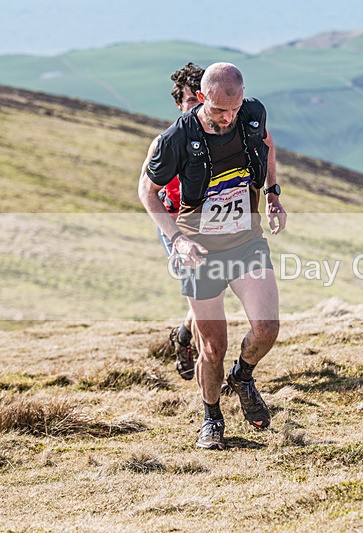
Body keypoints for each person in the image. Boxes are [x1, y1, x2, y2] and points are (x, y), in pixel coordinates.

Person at [138, 62, 287, 450]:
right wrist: (176, 240)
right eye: (220, 110)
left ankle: (242, 375)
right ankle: (212, 417)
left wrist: (273, 194)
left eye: (234, 108)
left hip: (245, 241)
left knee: (267, 328)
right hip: (199, 249)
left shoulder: (252, 114)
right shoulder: (176, 138)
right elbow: (147, 192)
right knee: (213, 346)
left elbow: (268, 146)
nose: (229, 117)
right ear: (201, 99)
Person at [154, 62, 204, 381]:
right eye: (190, 101)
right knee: (203, 298)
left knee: (211, 295)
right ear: (179, 105)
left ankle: (184, 335)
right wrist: (175, 237)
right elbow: (149, 191)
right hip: (176, 226)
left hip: (213, 227)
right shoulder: (170, 141)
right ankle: (212, 375)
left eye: (203, 99)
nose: (198, 107)